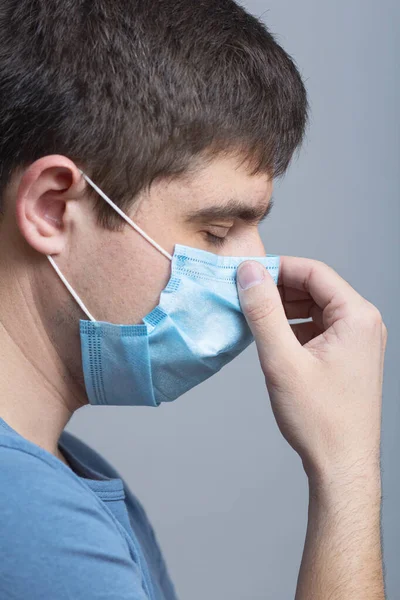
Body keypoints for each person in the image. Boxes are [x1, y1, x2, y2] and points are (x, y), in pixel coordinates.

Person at [0, 1, 387, 599]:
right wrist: (346, 473)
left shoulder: (75, 478)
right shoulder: (33, 526)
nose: (249, 273)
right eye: (214, 231)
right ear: (52, 208)